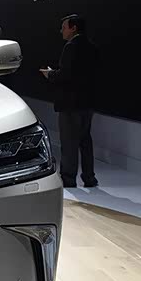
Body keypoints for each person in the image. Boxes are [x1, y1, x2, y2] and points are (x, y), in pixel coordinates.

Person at [40, 14, 99, 188]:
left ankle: (68, 178)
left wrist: (50, 74)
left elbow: (66, 75)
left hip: (70, 102)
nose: (61, 31)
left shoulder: (71, 47)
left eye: (64, 27)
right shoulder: (93, 47)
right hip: (88, 101)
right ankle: (89, 177)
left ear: (73, 28)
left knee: (69, 142)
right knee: (85, 140)